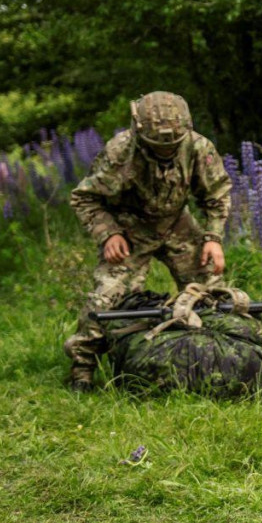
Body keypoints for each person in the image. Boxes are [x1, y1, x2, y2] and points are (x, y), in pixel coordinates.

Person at [64, 91, 232, 392]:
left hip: (177, 222)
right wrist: (109, 233)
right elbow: (85, 198)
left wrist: (213, 238)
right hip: (131, 228)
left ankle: (216, 358)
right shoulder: (121, 151)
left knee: (210, 290)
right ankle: (82, 368)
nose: (165, 153)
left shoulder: (197, 147)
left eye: (172, 147)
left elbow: (216, 194)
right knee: (107, 296)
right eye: (157, 147)